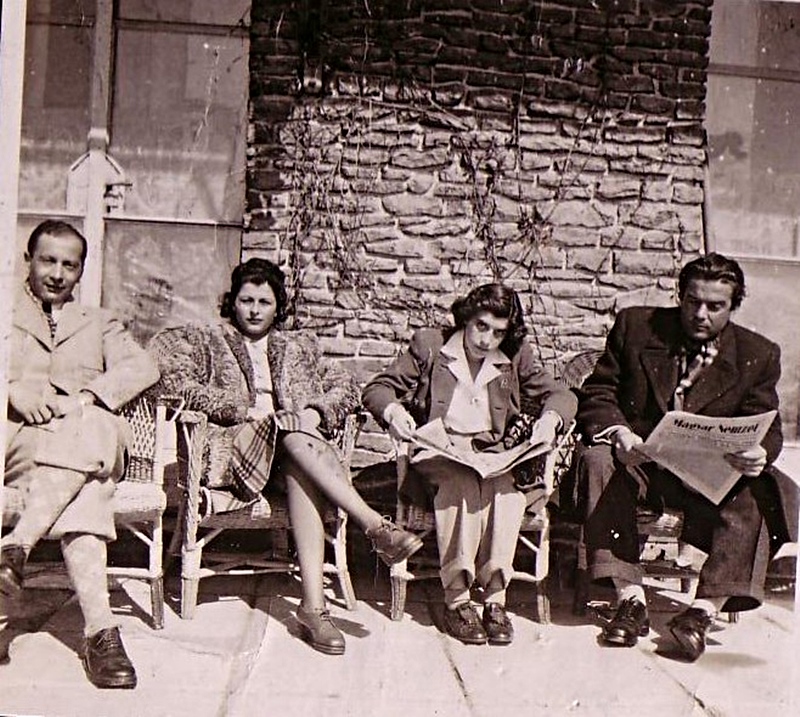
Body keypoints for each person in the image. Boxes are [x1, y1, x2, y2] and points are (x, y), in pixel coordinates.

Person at [148, 258, 422, 656]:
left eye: (264, 302)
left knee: (296, 447)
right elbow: (176, 385)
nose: (254, 310)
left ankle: (314, 608)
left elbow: (346, 386)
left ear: (278, 307)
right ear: (232, 302)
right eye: (246, 300)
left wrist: (315, 413)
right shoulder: (207, 342)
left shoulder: (298, 346)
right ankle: (374, 526)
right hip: (238, 450)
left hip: (292, 450)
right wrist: (242, 410)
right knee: (294, 439)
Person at [574, 252, 790, 661]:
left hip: (704, 480)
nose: (701, 315)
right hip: (639, 465)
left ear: (735, 305)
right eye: (693, 302)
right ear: (680, 295)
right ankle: (630, 600)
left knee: (761, 485)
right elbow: (598, 391)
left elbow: (768, 424)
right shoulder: (637, 327)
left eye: (715, 306)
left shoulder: (758, 353)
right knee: (597, 459)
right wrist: (620, 433)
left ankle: (701, 613)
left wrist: (758, 452)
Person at [362, 283, 578, 646]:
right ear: (466, 318)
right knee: (461, 485)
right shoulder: (432, 346)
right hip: (439, 451)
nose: (486, 339)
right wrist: (394, 411)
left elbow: (561, 395)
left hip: (491, 456)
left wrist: (550, 419)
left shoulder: (515, 356)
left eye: (498, 332)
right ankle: (458, 600)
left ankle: (495, 600)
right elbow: (377, 388)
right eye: (481, 326)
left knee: (508, 492)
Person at [0, 220, 160, 688]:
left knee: (93, 427)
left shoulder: (99, 322)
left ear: (81, 271)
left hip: (85, 442)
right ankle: (101, 635)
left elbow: (143, 366)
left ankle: (17, 547)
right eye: (48, 261)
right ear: (28, 261)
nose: (57, 273)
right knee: (90, 490)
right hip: (24, 446)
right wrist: (10, 390)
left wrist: (87, 397)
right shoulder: (5, 312)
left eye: (69, 265)